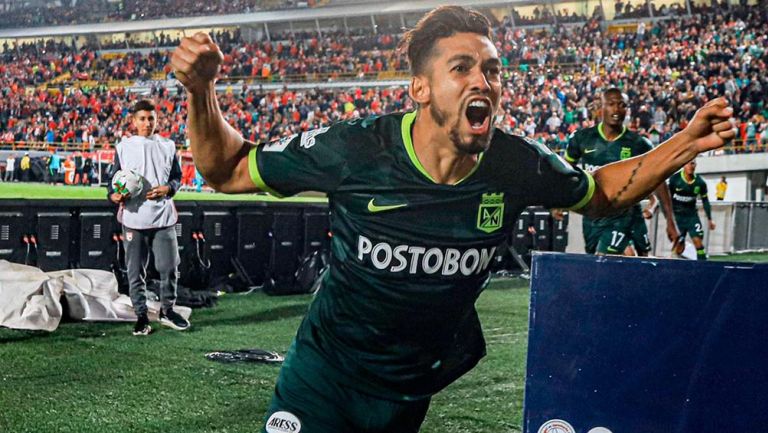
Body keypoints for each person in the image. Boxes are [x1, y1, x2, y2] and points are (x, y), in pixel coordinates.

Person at [171, 6, 734, 432]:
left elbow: (603, 192)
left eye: (491, 70)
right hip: (325, 377)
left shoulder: (517, 164)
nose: (482, 81)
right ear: (420, 88)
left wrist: (684, 141)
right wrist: (202, 90)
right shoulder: (355, 150)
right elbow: (227, 169)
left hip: (410, 390)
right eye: (461, 67)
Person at [107, 99, 189, 336]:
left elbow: (176, 178)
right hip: (133, 218)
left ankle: (168, 310)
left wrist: (168, 189)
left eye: (151, 118)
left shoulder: (168, 146)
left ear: (156, 120)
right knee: (135, 270)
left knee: (169, 267)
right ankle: (141, 316)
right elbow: (112, 182)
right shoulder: (123, 147)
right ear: (133, 121)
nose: (147, 123)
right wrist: (113, 195)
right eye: (142, 118)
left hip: (163, 216)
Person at [564, 88, 678, 256]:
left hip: (623, 215)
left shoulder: (638, 144)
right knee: (604, 264)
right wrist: (559, 202)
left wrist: (670, 220)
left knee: (615, 257)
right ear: (601, 107)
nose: (616, 109)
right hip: (592, 217)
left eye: (622, 105)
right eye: (611, 104)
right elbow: (566, 171)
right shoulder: (582, 138)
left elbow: (659, 180)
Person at [669, 160, 715, 260]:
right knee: (679, 245)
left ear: (696, 165)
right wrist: (669, 219)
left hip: (691, 216)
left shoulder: (700, 183)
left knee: (698, 241)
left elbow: (705, 200)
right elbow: (667, 199)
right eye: (688, 163)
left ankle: (703, 266)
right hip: (677, 217)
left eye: (693, 163)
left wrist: (710, 219)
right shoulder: (674, 180)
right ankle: (674, 259)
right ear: (683, 165)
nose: (690, 166)